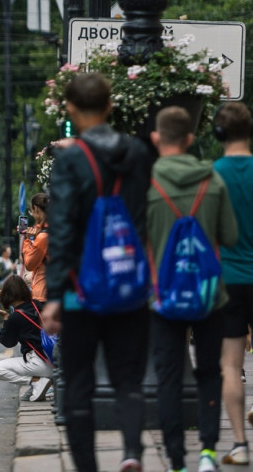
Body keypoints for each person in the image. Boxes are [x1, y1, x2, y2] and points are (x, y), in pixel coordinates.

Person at [43, 72, 152, 472]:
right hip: (128, 283)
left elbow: (65, 228)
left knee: (79, 385)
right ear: (110, 107)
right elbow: (142, 217)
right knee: (129, 380)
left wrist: (55, 295)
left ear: (70, 109)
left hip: (80, 290)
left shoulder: (70, 159)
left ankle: (87, 466)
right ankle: (131, 452)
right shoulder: (138, 153)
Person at [146, 106, 237, 472]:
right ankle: (208, 453)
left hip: (163, 295)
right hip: (210, 295)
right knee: (210, 370)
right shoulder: (212, 181)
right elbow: (230, 236)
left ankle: (177, 460)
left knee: (168, 377)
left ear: (156, 138)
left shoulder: (148, 183)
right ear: (190, 139)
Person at [214, 102, 253, 466]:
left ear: (218, 133)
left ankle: (240, 445)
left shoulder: (213, 176)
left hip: (227, 279)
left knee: (230, 364)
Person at [0, 275, 54, 402]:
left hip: (40, 364)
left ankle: (36, 381)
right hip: (55, 361)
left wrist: (6, 319)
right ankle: (42, 383)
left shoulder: (15, 318)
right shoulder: (36, 304)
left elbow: (8, 342)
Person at [21, 193, 49, 302]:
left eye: (31, 211)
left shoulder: (43, 237)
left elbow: (29, 264)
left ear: (36, 208)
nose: (32, 215)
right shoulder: (54, 230)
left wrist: (28, 240)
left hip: (42, 294)